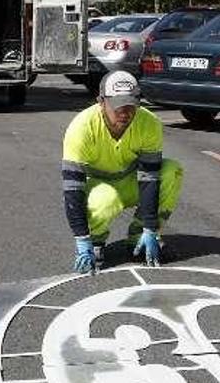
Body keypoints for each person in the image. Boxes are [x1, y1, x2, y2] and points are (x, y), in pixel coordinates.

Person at [61, 71, 184, 274]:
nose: (125, 112)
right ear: (101, 102)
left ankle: (139, 237)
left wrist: (150, 227)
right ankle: (95, 242)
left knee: (172, 170)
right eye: (118, 105)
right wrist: (82, 239)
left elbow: (149, 178)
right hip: (99, 186)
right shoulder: (81, 127)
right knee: (106, 198)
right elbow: (73, 190)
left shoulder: (149, 123)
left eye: (131, 104)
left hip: (130, 181)